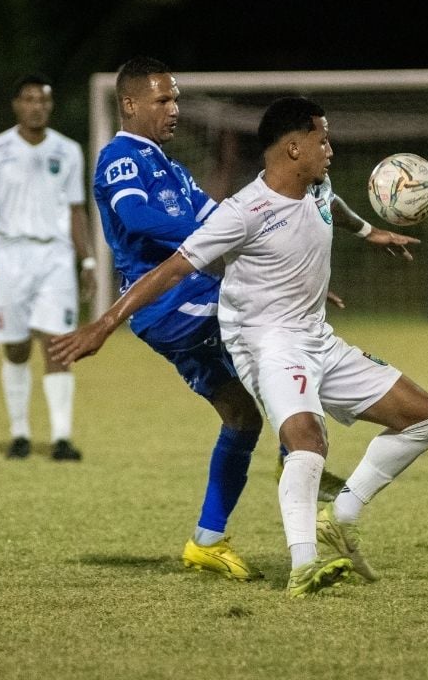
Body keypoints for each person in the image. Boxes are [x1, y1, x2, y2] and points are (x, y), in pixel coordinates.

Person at [52, 96, 428, 597]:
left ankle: (341, 513)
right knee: (307, 440)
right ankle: (303, 564)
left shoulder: (318, 184)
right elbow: (171, 269)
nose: (331, 148)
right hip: (268, 343)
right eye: (322, 139)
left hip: (317, 337)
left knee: (426, 417)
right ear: (293, 147)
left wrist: (371, 232)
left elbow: (333, 208)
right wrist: (105, 324)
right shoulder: (243, 212)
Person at [90, 56, 344, 582]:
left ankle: (206, 540)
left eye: (176, 98)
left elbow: (226, 221)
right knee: (281, 338)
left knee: (241, 416)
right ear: (131, 104)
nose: (174, 108)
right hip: (171, 306)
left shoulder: (172, 169)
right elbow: (138, 218)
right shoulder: (121, 158)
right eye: (163, 99)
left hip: (194, 298)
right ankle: (298, 452)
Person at [0, 73, 95, 461]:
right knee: (16, 346)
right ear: (16, 105)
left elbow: (76, 210)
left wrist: (88, 259)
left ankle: (61, 437)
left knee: (58, 345)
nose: (36, 106)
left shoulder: (68, 150)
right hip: (10, 253)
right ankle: (20, 433)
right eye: (29, 100)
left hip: (55, 256)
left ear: (50, 105)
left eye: (43, 100)